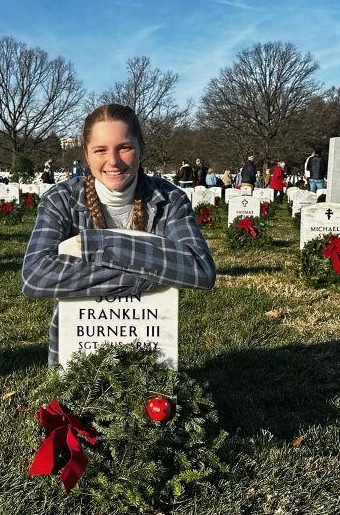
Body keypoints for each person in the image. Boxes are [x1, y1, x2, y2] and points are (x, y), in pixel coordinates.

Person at [21, 104, 216, 366]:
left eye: (124, 147)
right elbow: (35, 276)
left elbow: (201, 268)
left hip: (151, 349)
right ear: (86, 156)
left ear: (141, 150)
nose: (113, 161)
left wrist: (101, 245)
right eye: (100, 150)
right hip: (76, 350)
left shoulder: (171, 200)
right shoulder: (61, 200)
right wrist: (147, 275)